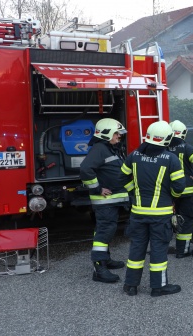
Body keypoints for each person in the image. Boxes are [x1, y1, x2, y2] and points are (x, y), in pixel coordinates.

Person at [119, 121, 186, 297]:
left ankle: (130, 285)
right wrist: (170, 196)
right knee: (158, 250)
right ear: (167, 139)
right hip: (161, 215)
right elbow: (179, 187)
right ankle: (158, 287)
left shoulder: (134, 155)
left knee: (136, 248)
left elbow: (122, 177)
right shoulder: (171, 159)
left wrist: (133, 192)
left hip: (138, 212)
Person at [80, 118, 130, 283]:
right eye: (116, 133)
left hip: (111, 201)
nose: (119, 137)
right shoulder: (100, 148)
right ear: (107, 133)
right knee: (105, 231)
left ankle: (106, 260)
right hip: (105, 201)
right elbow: (86, 169)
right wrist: (97, 188)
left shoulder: (109, 148)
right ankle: (99, 268)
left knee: (106, 229)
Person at [167, 120, 193, 258]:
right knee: (187, 218)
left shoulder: (163, 147)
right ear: (184, 133)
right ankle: (182, 251)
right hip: (188, 191)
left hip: (170, 191)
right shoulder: (186, 147)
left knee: (173, 217)